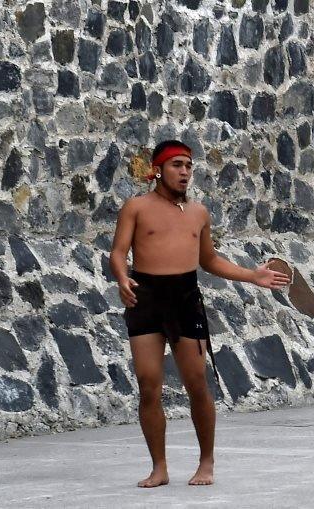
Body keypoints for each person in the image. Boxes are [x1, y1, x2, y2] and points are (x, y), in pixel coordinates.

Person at [110, 140, 291, 487]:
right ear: (158, 170)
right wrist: (122, 278)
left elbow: (209, 260)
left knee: (196, 384)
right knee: (149, 386)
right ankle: (159, 468)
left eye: (188, 166)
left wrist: (252, 275)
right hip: (145, 298)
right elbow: (118, 252)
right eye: (177, 165)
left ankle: (206, 462)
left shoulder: (198, 213)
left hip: (185, 298)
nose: (184, 172)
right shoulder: (136, 207)